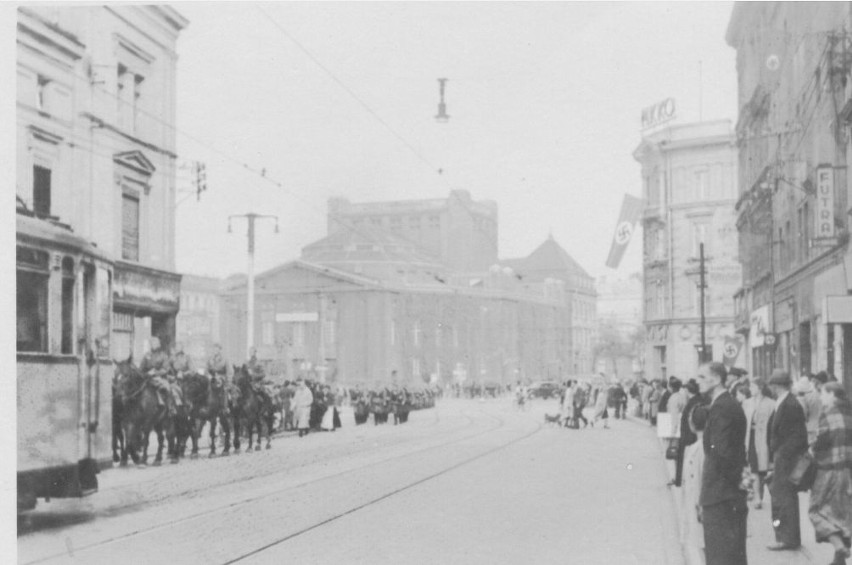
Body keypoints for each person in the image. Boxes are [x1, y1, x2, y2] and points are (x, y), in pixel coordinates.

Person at [697, 362, 748, 565]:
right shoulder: (727, 404)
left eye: (702, 377)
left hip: (721, 495)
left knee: (721, 555)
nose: (697, 381)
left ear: (717, 379)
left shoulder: (722, 407)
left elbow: (721, 453)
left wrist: (727, 487)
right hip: (727, 493)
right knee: (731, 553)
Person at [808, 382, 852, 565]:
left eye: (823, 394)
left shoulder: (829, 414)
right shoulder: (849, 413)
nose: (821, 398)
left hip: (827, 471)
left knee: (816, 511)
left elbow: (820, 442)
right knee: (842, 513)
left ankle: (838, 544)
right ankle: (839, 558)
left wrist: (811, 448)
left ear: (832, 394)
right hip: (847, 472)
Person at [766, 369, 809, 551]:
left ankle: (786, 538)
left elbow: (797, 436)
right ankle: (787, 537)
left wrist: (782, 455)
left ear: (776, 386)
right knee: (782, 497)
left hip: (786, 459)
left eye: (773, 385)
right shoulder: (784, 402)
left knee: (783, 498)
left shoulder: (790, 404)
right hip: (782, 457)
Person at [682, 405, 710, 565]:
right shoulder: (700, 446)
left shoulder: (701, 448)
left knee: (700, 546)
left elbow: (698, 479)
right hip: (697, 503)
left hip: (698, 504)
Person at [746, 377, 774, 510]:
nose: (750, 389)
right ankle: (757, 496)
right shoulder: (747, 403)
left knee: (763, 469)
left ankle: (761, 493)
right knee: (754, 468)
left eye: (752, 387)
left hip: (764, 439)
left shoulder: (770, 403)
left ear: (760, 388)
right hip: (750, 437)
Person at [675, 379, 704, 488]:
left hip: (689, 437)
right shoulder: (698, 400)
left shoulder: (693, 403)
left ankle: (683, 481)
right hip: (691, 436)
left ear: (687, 391)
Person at [140, 337, 174, 415]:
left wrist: (155, 373)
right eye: (151, 343)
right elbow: (141, 368)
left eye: (155, 343)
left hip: (159, 378)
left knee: (168, 387)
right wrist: (147, 374)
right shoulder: (147, 355)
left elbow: (166, 369)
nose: (152, 345)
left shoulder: (163, 355)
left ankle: (170, 408)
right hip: (147, 378)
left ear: (158, 344)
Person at [797, 373, 823, 448]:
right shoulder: (819, 394)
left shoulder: (804, 398)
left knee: (811, 449)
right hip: (820, 425)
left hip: (810, 427)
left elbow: (804, 414)